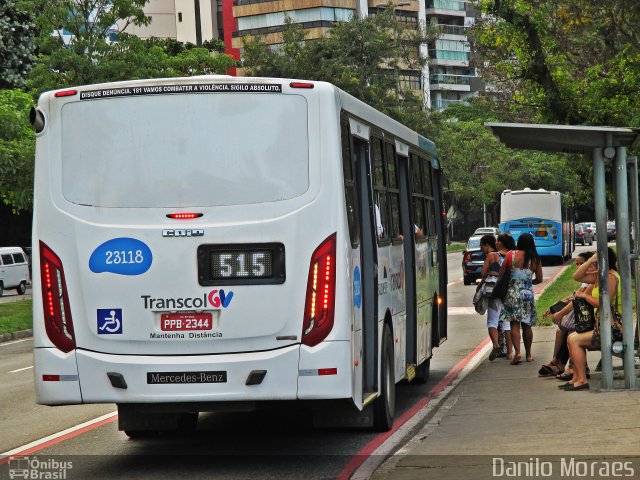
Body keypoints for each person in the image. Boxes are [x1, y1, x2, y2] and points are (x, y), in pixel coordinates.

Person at [563, 248, 620, 391]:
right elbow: (577, 276)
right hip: (601, 325)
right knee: (571, 337)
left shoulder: (611, 277)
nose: (593, 265)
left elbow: (603, 303)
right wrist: (590, 260)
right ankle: (576, 377)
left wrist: (586, 296)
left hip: (613, 327)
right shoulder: (600, 276)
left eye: (597, 260)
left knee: (575, 340)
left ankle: (582, 380)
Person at [539, 251, 595, 377]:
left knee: (571, 333)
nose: (579, 267)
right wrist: (555, 307)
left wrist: (559, 314)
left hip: (594, 320)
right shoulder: (586, 281)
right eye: (577, 264)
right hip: (588, 318)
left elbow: (577, 300)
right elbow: (573, 297)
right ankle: (558, 363)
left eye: (582, 264)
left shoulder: (592, 281)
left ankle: (569, 365)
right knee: (561, 331)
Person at [498, 232, 543, 365]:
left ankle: (517, 352)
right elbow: (539, 279)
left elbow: (501, 275)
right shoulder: (535, 258)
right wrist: (528, 283)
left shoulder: (510, 255)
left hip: (512, 293)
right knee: (527, 324)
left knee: (514, 324)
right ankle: (528, 354)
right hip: (527, 294)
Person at [480, 235, 505, 360]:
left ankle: (495, 344)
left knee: (492, 321)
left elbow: (483, 273)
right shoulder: (504, 255)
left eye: (481, 245)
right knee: (505, 321)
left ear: (487, 245)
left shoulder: (490, 256)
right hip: (504, 291)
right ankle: (509, 350)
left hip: (493, 291)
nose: (481, 248)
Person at [496, 234, 516, 358]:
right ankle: (510, 350)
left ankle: (506, 349)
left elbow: (500, 273)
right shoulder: (516, 255)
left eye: (498, 240)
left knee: (501, 321)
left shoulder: (497, 256)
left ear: (502, 243)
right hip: (514, 290)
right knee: (508, 321)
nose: (496, 242)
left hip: (503, 290)